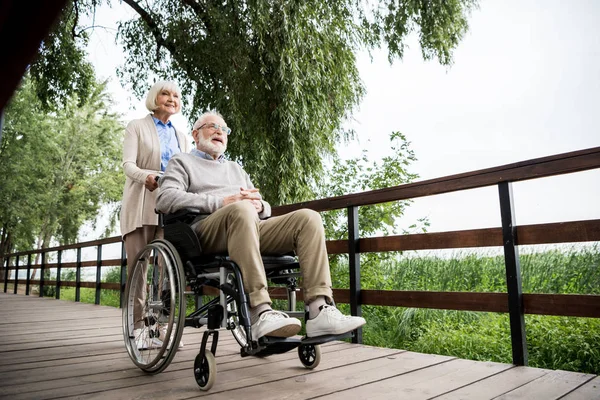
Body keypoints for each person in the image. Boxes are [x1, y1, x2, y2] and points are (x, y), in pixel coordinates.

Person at [156, 110, 365, 340]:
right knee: (240, 209)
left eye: (224, 129)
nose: (219, 132)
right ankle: (260, 310)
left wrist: (261, 206)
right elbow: (165, 198)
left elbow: (261, 203)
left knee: (308, 218)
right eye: (212, 126)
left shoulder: (235, 168)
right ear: (195, 134)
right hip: (205, 231)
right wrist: (221, 202)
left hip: (247, 224)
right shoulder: (182, 161)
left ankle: (319, 310)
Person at [120, 80, 191, 349]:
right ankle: (138, 328)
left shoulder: (182, 137)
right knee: (140, 267)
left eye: (176, 95)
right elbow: (128, 165)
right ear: (154, 97)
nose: (171, 98)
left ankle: (159, 327)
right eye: (165, 93)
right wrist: (147, 176)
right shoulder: (136, 126)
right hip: (140, 203)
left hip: (170, 207)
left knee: (167, 269)